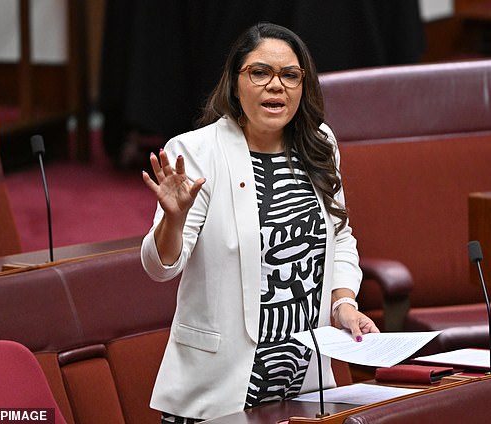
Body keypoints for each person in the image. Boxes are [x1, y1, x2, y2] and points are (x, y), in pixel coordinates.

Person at [140, 22, 379, 423]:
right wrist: (174, 220)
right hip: (218, 391)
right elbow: (160, 267)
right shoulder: (196, 152)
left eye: (290, 75)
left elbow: (340, 234)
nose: (276, 85)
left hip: (303, 386)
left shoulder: (319, 143)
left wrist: (343, 303)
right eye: (259, 72)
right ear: (235, 83)